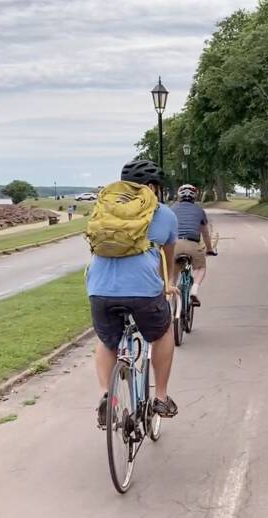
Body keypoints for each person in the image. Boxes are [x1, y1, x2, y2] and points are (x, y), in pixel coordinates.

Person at [89, 159, 180, 428]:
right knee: (162, 333)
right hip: (142, 290)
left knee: (107, 341)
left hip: (99, 287)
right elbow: (167, 257)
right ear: (152, 187)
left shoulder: (103, 210)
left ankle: (108, 397)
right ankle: (161, 398)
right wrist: (167, 284)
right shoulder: (164, 214)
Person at [170, 184, 216, 306]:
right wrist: (210, 249)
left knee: (172, 273)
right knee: (200, 268)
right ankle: (194, 291)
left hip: (174, 245)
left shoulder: (171, 209)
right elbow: (205, 234)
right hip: (192, 244)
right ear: (194, 197)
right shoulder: (199, 211)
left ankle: (170, 299)